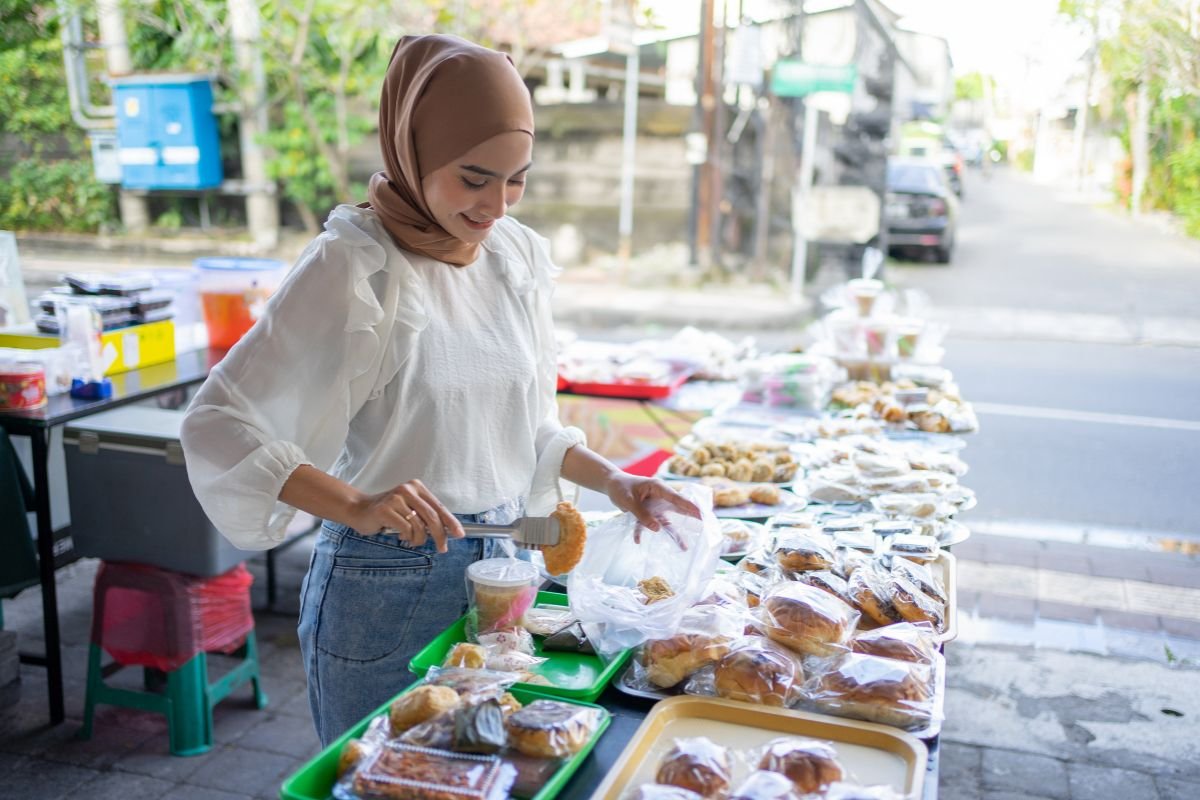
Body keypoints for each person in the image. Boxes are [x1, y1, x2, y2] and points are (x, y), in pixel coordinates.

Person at [180, 33, 698, 746]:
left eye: (517, 178)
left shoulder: (511, 255)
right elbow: (216, 423)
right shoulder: (355, 264)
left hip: (504, 572)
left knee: (490, 777)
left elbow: (525, 427)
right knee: (390, 780)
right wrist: (356, 503)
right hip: (384, 584)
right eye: (474, 177)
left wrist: (615, 483)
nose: (496, 205)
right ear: (412, 149)